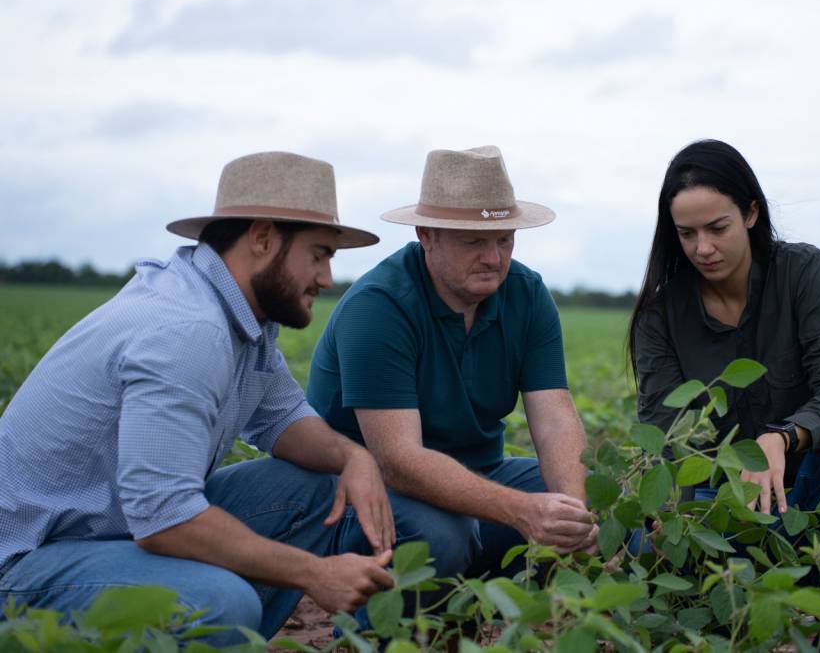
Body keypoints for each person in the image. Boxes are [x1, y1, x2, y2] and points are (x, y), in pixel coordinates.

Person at [0, 151, 397, 645]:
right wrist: (315, 572)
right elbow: (164, 517)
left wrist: (351, 456)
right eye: (318, 254)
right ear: (263, 238)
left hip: (114, 533)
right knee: (218, 600)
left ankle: (228, 635)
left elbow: (283, 418)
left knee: (312, 489)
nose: (325, 278)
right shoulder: (187, 329)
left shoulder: (240, 314)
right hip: (25, 565)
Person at [307, 146, 597, 598]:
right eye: (473, 241)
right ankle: (386, 638)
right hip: (364, 492)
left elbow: (555, 417)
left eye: (504, 239)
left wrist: (574, 515)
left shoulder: (526, 294)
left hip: (478, 473)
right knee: (440, 538)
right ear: (427, 234)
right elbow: (398, 462)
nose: (493, 257)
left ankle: (482, 618)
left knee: (589, 506)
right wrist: (520, 511)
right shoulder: (379, 307)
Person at [627, 139, 820, 612]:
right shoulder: (661, 313)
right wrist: (669, 510)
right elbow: (662, 429)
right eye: (687, 233)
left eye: (717, 227)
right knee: (628, 542)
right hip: (720, 502)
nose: (703, 248)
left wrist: (783, 438)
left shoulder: (802, 272)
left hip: (810, 485)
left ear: (751, 213)